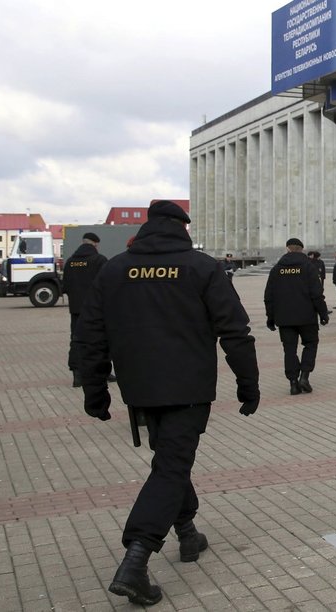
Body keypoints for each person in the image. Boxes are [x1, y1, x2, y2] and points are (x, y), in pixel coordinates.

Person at [75, 200, 260, 606]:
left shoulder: (115, 268)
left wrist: (95, 389)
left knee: (170, 463)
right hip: (188, 388)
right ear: (182, 227)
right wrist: (249, 383)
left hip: (140, 388)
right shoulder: (201, 267)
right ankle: (136, 560)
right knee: (171, 467)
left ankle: (188, 533)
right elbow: (235, 329)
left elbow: (90, 334)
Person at [266, 239, 330, 395]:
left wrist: (270, 317)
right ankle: (305, 376)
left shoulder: (277, 269)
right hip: (307, 317)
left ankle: (293, 383)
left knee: (289, 350)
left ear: (287, 249)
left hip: (285, 319)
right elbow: (317, 294)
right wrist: (323, 313)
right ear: (301, 250)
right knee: (310, 344)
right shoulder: (309, 267)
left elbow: (269, 296)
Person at [62, 232, 107, 387]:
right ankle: (102, 371)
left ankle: (77, 374)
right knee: (99, 340)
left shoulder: (70, 262)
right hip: (96, 309)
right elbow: (106, 284)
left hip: (75, 309)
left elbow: (65, 286)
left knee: (76, 340)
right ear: (95, 244)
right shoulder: (99, 260)